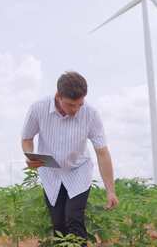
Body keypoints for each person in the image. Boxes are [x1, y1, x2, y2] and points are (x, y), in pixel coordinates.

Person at [21, 71, 119, 244]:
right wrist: (30, 156)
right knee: (59, 226)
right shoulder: (38, 109)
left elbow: (102, 152)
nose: (75, 110)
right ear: (58, 96)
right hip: (51, 172)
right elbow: (27, 139)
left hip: (78, 171)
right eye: (71, 105)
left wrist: (110, 190)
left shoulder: (91, 114)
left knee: (74, 218)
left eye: (79, 104)